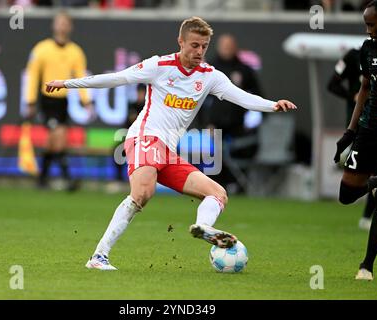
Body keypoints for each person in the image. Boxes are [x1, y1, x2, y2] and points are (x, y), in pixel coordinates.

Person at [46, 16, 297, 270]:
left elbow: (241, 97)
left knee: (218, 193)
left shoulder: (210, 76)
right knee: (143, 192)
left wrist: (272, 105)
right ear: (181, 41)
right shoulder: (160, 65)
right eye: (195, 45)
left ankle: (205, 228)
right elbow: (117, 78)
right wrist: (67, 84)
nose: (199, 51)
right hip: (145, 137)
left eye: (204, 46)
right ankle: (99, 257)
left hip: (167, 151)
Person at [333, 0, 377, 281]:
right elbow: (364, 89)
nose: (367, 30)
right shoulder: (367, 50)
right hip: (368, 131)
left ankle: (366, 266)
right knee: (346, 196)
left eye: (371, 23)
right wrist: (349, 132)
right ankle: (375, 183)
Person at [25, 11, 94, 192]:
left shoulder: (75, 52)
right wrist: (30, 101)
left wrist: (86, 101)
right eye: (60, 23)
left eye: (66, 23)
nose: (62, 26)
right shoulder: (42, 49)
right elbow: (32, 75)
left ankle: (42, 179)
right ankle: (67, 178)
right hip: (46, 101)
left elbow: (81, 78)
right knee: (59, 137)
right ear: (54, 25)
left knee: (53, 142)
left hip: (63, 101)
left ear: (70, 27)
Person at [200, 33, 263, 194]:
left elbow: (256, 96)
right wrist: (205, 123)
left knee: (242, 150)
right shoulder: (209, 69)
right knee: (214, 155)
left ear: (235, 48)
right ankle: (215, 188)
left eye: (229, 46)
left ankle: (238, 185)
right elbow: (198, 99)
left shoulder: (245, 70)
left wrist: (252, 122)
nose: (227, 49)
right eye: (224, 46)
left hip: (238, 124)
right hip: (215, 124)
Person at [328, 47, 376, 231]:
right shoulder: (354, 56)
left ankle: (368, 217)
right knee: (349, 192)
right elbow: (332, 84)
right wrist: (353, 96)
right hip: (358, 125)